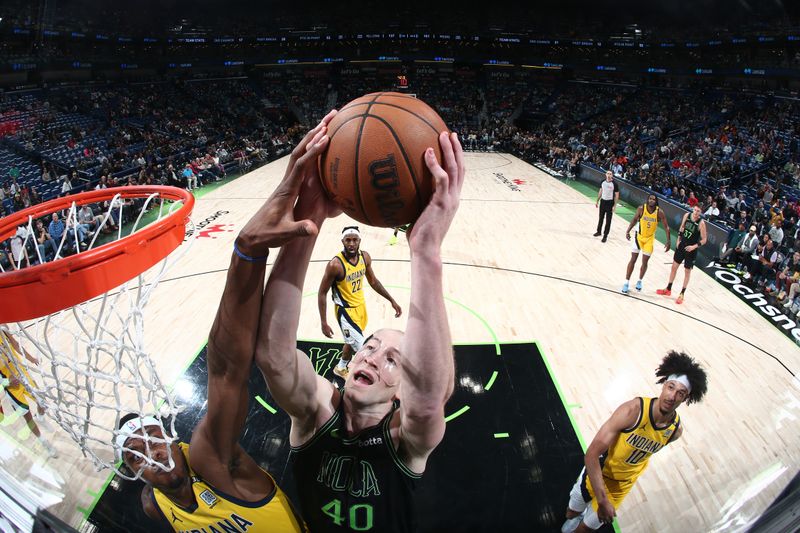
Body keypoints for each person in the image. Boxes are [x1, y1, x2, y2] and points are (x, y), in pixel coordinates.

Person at [114, 126, 335, 533]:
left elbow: (227, 369)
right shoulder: (155, 506)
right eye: (134, 456)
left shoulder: (210, 459)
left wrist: (247, 250)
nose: (150, 454)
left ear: (171, 435)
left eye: (149, 437)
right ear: (132, 474)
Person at [255, 124, 463, 532]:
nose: (371, 355)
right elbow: (274, 357)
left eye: (392, 360)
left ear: (401, 389)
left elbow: (427, 401)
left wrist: (426, 251)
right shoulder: (316, 412)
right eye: (370, 348)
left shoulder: (406, 440)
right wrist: (308, 216)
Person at [561, 351, 708, 533]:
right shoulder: (633, 411)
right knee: (571, 511)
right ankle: (576, 515)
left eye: (680, 393)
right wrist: (602, 500)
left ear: (685, 398)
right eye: (670, 387)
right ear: (663, 385)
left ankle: (582, 522)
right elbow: (591, 454)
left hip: (622, 484)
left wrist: (606, 500)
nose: (672, 396)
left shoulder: (675, 431)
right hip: (600, 472)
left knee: (585, 530)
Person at [318, 227, 402, 379]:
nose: (351, 243)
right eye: (348, 240)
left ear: (359, 241)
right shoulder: (335, 265)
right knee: (365, 350)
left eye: (354, 240)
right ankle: (376, 382)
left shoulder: (365, 258)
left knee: (350, 342)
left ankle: (341, 367)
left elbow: (374, 282)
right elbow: (322, 293)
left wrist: (391, 300)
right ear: (342, 241)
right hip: (345, 313)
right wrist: (323, 322)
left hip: (361, 308)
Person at [0, 329, 56, 457]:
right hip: (12, 387)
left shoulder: (2, 328)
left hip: (22, 375)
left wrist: (31, 358)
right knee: (28, 417)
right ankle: (43, 441)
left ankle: (41, 418)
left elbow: (15, 345)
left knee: (42, 402)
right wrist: (6, 382)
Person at [656, 206, 707, 304]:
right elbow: (682, 227)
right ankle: (668, 289)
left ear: (701, 213)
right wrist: (679, 239)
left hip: (691, 250)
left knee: (687, 272)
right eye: (695, 210)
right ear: (693, 209)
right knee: (674, 267)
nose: (696, 212)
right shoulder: (687, 215)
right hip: (682, 245)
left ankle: (682, 293)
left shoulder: (701, 223)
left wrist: (694, 247)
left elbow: (704, 240)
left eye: (698, 211)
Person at [622, 194, 670, 294]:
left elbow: (666, 227)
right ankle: (626, 282)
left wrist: (668, 241)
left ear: (656, 202)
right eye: (650, 198)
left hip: (649, 239)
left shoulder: (659, 212)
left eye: (654, 199)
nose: (652, 200)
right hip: (638, 237)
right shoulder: (641, 208)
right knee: (633, 259)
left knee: (645, 262)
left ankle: (639, 281)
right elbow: (634, 220)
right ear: (647, 200)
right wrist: (627, 231)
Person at [594, 170, 619, 243]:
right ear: (605, 174)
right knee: (601, 218)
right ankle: (599, 231)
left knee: (608, 220)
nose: (609, 175)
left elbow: (617, 195)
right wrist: (597, 200)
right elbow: (600, 191)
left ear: (612, 175)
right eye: (607, 173)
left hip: (610, 203)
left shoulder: (614, 184)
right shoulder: (602, 182)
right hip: (603, 202)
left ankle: (605, 235)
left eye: (610, 174)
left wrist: (614, 205)